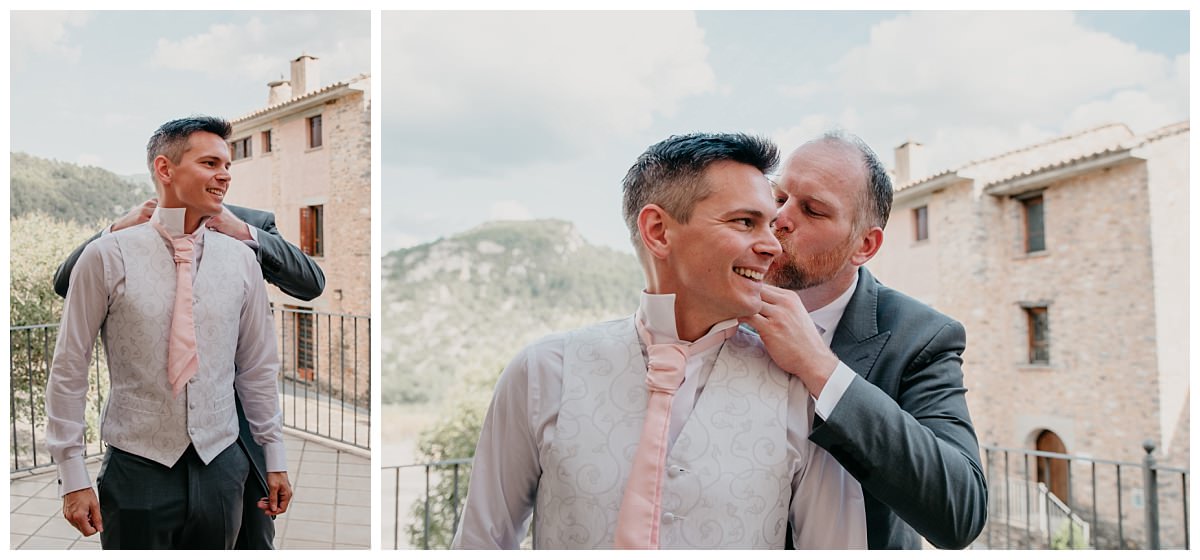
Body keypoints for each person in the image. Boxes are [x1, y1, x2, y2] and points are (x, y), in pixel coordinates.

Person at [453, 132, 865, 549]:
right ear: (658, 231)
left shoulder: (803, 390)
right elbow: (479, 543)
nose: (773, 247)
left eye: (771, 226)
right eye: (745, 222)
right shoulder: (542, 371)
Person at [45, 116, 292, 549]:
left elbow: (258, 368)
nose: (225, 175)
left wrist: (275, 458)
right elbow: (69, 367)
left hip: (223, 468)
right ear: (165, 169)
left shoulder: (242, 261)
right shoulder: (105, 257)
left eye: (227, 165)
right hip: (136, 472)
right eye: (210, 163)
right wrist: (72, 475)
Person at [742, 131, 988, 549]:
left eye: (813, 210)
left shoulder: (923, 337)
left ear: (865, 245)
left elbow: (960, 512)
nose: (780, 217)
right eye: (779, 196)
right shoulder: (724, 309)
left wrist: (820, 368)